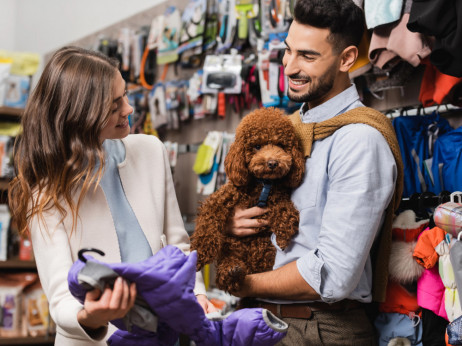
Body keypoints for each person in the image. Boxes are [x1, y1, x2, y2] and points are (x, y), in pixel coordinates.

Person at [8, 46, 216, 345]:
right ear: (80, 115)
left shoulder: (151, 151)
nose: (128, 109)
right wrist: (92, 315)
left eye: (125, 95)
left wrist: (197, 293)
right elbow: (60, 299)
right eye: (114, 104)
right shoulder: (47, 191)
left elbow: (178, 247)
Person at [228, 0, 403, 345]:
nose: (289, 67)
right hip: (261, 318)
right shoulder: (286, 130)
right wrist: (235, 223)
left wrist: (242, 282)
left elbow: (332, 275)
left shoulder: (359, 139)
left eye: (307, 56)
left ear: (347, 59)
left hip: (316, 328)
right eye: (288, 51)